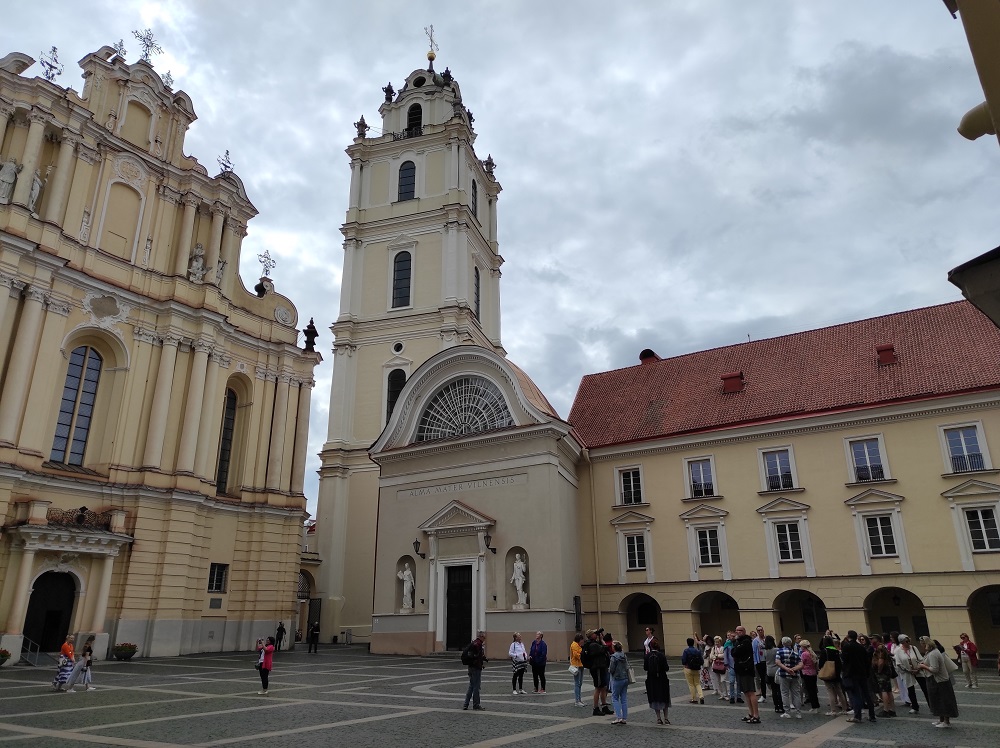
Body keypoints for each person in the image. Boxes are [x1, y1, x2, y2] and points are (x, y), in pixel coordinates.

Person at [918, 636, 958, 728]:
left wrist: (923, 666)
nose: (921, 646)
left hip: (939, 680)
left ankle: (946, 721)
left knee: (943, 700)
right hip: (934, 679)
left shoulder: (933, 654)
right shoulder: (930, 653)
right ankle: (941, 719)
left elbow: (935, 669)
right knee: (937, 700)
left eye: (922, 644)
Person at [841, 630, 876, 723]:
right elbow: (867, 661)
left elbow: (844, 660)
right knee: (867, 694)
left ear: (848, 637)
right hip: (862, 673)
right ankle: (872, 715)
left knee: (856, 694)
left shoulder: (847, 646)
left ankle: (857, 716)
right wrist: (867, 672)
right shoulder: (861, 647)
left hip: (852, 674)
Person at [583, 628, 613, 716]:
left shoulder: (595, 643)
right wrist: (602, 640)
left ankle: (604, 706)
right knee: (598, 687)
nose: (596, 634)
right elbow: (606, 648)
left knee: (603, 687)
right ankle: (595, 708)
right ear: (591, 636)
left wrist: (600, 639)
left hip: (601, 667)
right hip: (597, 668)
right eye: (595, 633)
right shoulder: (593, 645)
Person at [733, 625, 760, 724]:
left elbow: (735, 652)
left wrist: (735, 648)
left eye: (740, 630)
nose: (737, 632)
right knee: (746, 692)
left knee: (750, 692)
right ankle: (751, 713)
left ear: (744, 631)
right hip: (740, 669)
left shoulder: (746, 641)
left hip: (746, 669)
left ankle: (756, 715)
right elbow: (734, 652)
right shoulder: (738, 642)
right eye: (736, 630)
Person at [893, 634, 924, 714]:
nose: (909, 642)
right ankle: (915, 706)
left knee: (925, 688)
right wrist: (909, 670)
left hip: (918, 671)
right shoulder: (898, 651)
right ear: (902, 642)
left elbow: (920, 659)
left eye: (909, 640)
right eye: (907, 641)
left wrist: (918, 668)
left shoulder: (913, 648)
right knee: (911, 690)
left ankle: (932, 705)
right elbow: (898, 663)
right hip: (907, 673)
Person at [818, 635, 848, 716]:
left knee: (830, 691)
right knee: (839, 691)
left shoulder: (825, 651)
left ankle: (833, 710)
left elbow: (821, 663)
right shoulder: (836, 651)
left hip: (828, 672)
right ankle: (844, 709)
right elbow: (839, 663)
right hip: (836, 673)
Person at [775, 636, 804, 718]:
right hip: (794, 675)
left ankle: (787, 712)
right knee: (796, 694)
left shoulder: (779, 651)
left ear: (783, 643)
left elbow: (777, 662)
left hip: (784, 675)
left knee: (784, 693)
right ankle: (798, 712)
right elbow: (801, 664)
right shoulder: (795, 653)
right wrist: (793, 669)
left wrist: (787, 669)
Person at [644, 638, 671, 724]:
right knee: (664, 697)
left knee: (655, 697)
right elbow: (666, 668)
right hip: (662, 678)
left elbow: (645, 668)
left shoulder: (647, 656)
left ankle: (658, 718)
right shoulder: (662, 655)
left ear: (650, 646)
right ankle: (666, 718)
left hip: (652, 679)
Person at [462, 630, 487, 710]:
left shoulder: (474, 643)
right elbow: (477, 656)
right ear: (481, 637)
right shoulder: (478, 644)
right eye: (484, 637)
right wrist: (480, 663)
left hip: (471, 667)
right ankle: (476, 704)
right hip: (476, 668)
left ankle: (466, 704)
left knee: (471, 686)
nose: (485, 639)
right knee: (476, 686)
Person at [872, 644, 897, 717]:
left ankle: (885, 710)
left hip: (882, 675)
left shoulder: (881, 655)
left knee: (884, 691)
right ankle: (892, 709)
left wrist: (879, 671)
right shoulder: (887, 655)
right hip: (887, 674)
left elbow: (880, 663)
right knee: (889, 691)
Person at [608, 640, 630, 724]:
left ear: (614, 648)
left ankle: (618, 717)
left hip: (617, 679)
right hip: (625, 678)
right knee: (624, 699)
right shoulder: (623, 655)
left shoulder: (614, 657)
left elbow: (612, 669)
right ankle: (624, 718)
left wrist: (609, 670)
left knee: (615, 698)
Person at [764, 635, 784, 714]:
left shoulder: (765, 651)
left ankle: (776, 706)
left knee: (773, 690)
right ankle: (781, 706)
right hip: (777, 670)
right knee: (779, 689)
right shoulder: (777, 650)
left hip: (769, 670)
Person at [681, 637, 705, 704]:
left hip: (688, 668)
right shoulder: (697, 651)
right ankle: (701, 696)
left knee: (691, 684)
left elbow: (683, 661)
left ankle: (694, 698)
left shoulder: (686, 651)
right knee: (697, 683)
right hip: (696, 669)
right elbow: (701, 661)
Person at [799, 639, 820, 712]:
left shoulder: (804, 654)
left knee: (810, 691)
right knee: (814, 690)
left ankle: (814, 706)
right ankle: (816, 705)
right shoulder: (812, 653)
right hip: (813, 673)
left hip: (807, 673)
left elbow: (802, 664)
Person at [570, 633, 586, 706]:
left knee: (580, 683)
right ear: (579, 640)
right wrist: (583, 654)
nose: (582, 642)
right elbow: (577, 655)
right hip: (576, 665)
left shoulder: (579, 646)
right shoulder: (574, 645)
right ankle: (577, 700)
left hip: (581, 665)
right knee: (577, 683)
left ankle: (579, 699)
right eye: (582, 640)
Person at [753, 625, 767, 701]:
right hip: (760, 661)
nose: (760, 631)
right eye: (758, 630)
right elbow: (754, 652)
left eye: (761, 630)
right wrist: (755, 662)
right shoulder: (755, 641)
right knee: (762, 678)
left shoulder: (767, 639)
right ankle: (763, 695)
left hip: (768, 661)